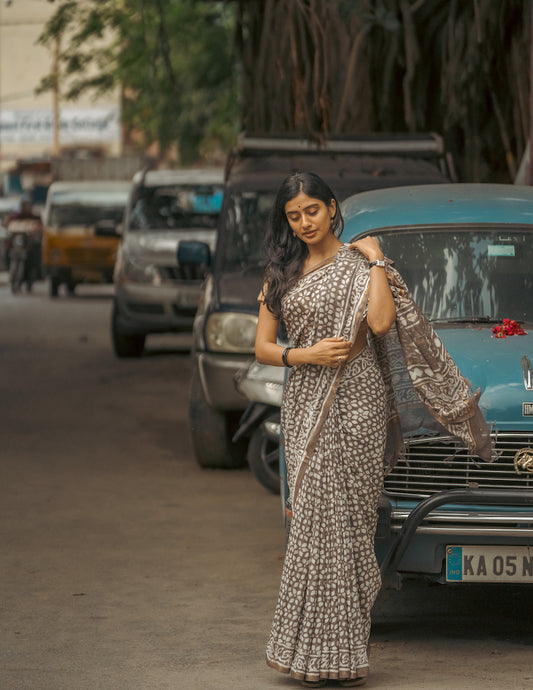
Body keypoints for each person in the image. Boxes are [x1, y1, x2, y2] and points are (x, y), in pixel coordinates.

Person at [255, 171, 493, 688]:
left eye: (312, 211)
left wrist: (378, 259)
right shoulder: (282, 272)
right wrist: (306, 354)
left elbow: (382, 324)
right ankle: (306, 650)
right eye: (293, 216)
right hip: (306, 403)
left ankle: (339, 655)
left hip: (361, 402)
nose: (303, 223)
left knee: (354, 522)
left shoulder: (362, 265)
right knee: (317, 520)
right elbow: (263, 347)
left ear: (331, 207)